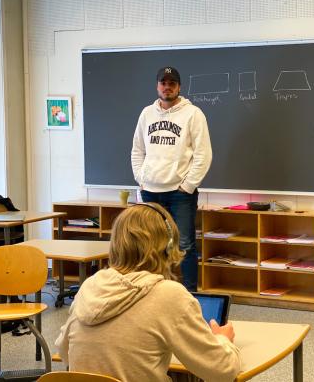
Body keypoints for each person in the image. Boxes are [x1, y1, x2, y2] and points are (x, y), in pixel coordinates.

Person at [55, 203, 241, 382]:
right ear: (168, 247)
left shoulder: (90, 286)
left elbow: (64, 353)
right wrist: (223, 339)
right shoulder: (170, 295)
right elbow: (222, 370)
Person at [131, 66, 212, 292]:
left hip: (180, 194)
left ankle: (189, 297)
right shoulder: (146, 114)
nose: (167, 87)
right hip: (150, 191)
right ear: (157, 85)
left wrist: (187, 186)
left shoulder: (193, 114)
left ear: (179, 86)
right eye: (163, 82)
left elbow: (203, 154)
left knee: (184, 245)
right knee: (150, 245)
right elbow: (137, 150)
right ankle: (153, 294)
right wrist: (141, 177)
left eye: (172, 83)